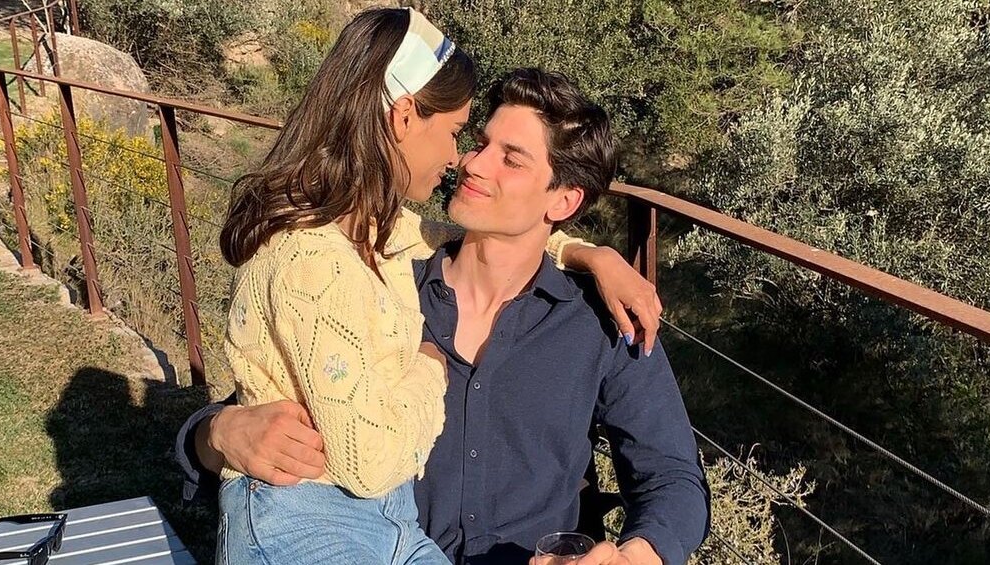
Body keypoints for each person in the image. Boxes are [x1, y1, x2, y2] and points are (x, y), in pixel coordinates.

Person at [181, 66, 709, 565]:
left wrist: (635, 555)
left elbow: (673, 476)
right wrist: (216, 433)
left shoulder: (602, 321)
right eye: (479, 142)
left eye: (511, 159)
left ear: (564, 201)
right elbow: (273, 399)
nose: (473, 164)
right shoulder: (384, 280)